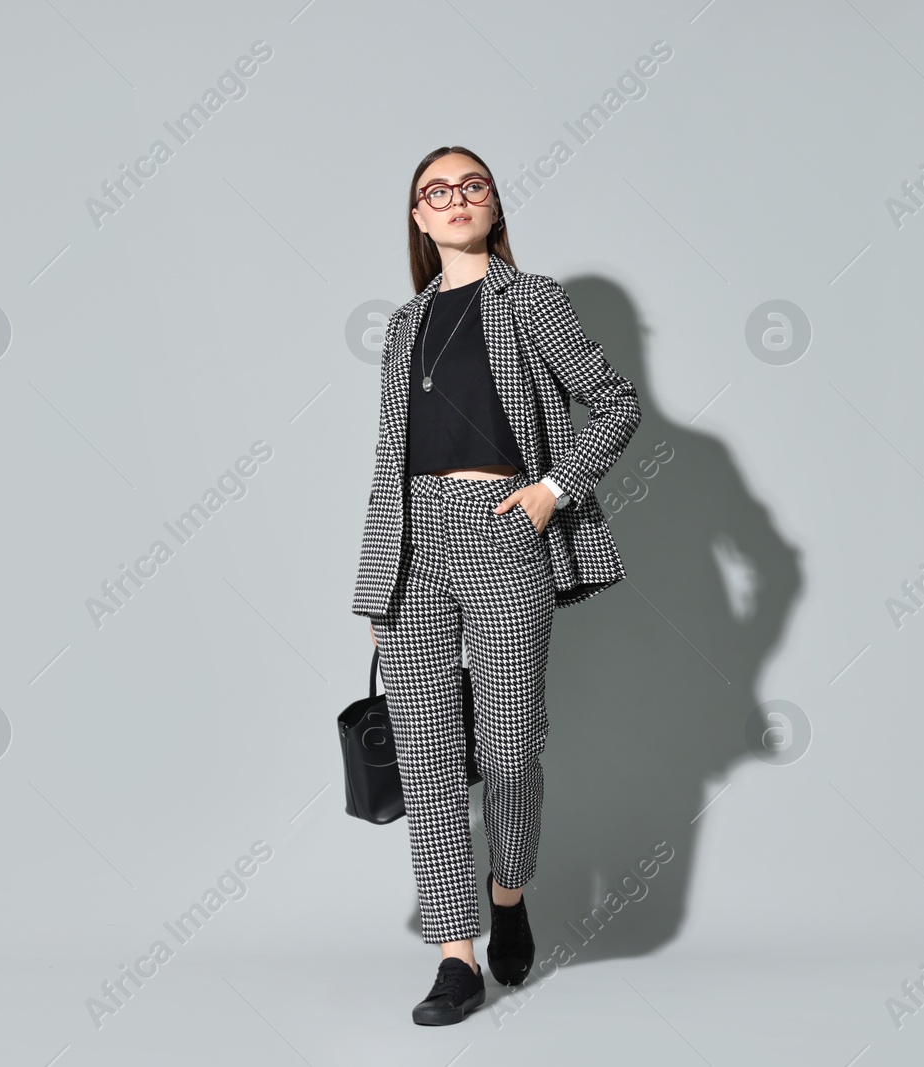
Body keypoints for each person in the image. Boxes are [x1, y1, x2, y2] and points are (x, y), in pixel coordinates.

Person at [351, 145, 641, 1025]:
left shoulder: (534, 299)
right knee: (430, 758)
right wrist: (375, 586)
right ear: (417, 216)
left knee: (511, 744)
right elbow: (387, 460)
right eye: (435, 192)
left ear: (492, 203)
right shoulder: (404, 323)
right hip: (414, 544)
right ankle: (456, 957)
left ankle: (508, 891)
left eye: (470, 185)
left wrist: (549, 496)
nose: (454, 200)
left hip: (503, 526)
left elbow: (617, 402)